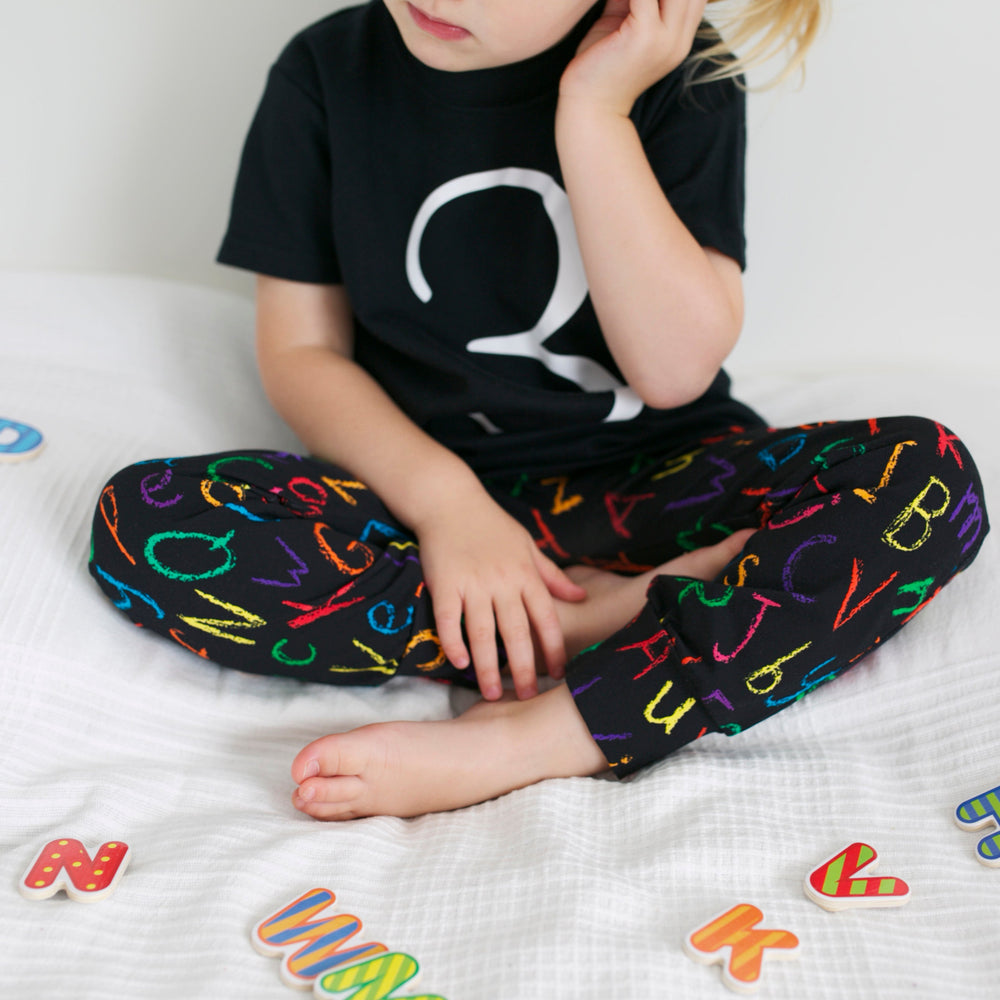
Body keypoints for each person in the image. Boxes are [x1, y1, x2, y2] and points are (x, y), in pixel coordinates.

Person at [89, 0, 988, 820]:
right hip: (422, 510)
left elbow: (674, 371)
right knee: (144, 523)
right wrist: (448, 507)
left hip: (655, 487)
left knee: (926, 480)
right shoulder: (325, 70)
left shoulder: (686, 81)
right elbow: (301, 355)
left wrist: (596, 112)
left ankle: (549, 735)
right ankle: (571, 626)